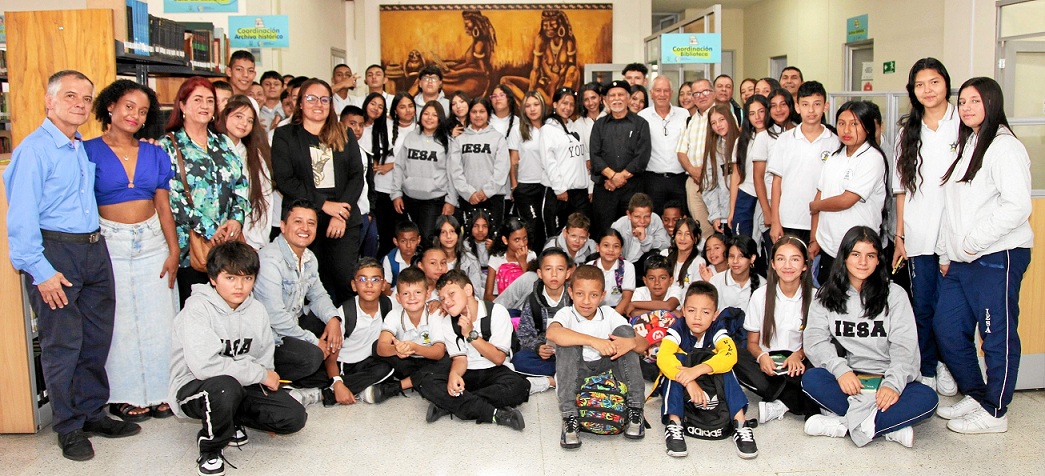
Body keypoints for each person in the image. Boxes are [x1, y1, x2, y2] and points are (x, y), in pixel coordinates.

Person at [4, 70, 139, 461]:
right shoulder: (35, 150)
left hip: (93, 249)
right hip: (56, 254)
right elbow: (22, 218)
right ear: (49, 101)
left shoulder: (77, 145)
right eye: (70, 96)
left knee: (96, 339)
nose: (79, 104)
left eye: (85, 98)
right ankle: (68, 427)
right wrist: (40, 271)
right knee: (63, 344)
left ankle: (93, 412)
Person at [933, 77, 1033, 434]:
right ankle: (977, 394)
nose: (967, 108)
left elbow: (1018, 206)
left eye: (975, 101)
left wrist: (974, 241)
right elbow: (954, 207)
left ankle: (995, 411)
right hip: (961, 260)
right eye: (962, 103)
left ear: (992, 102)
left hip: (997, 254)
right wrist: (948, 251)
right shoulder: (971, 143)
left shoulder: (1004, 146)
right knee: (946, 326)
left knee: (996, 334)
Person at [84, 79, 178, 423]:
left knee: (159, 318)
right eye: (128, 106)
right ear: (110, 106)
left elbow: (164, 206)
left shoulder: (155, 152)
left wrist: (174, 249)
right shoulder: (87, 151)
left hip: (153, 239)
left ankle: (162, 391)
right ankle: (123, 395)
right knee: (119, 320)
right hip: (109, 241)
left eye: (142, 111)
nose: (134, 115)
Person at [169, 242, 306, 475]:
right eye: (231, 278)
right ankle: (211, 447)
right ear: (213, 278)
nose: (240, 287)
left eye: (247, 278)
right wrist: (260, 375)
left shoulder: (257, 310)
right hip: (194, 387)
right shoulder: (197, 309)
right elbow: (205, 367)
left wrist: (267, 408)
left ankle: (232, 420)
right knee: (224, 386)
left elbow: (263, 360)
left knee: (293, 416)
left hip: (239, 386)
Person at [802, 226, 936, 448]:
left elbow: (904, 347)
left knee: (927, 398)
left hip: (888, 377)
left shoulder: (895, 295)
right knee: (812, 379)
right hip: (851, 379)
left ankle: (846, 426)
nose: (862, 262)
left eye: (870, 255)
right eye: (856, 254)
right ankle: (885, 427)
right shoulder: (826, 295)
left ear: (878, 261)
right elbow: (815, 340)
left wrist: (892, 385)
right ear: (844, 257)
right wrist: (841, 370)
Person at [892, 58, 960, 397]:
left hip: (958, 234)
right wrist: (899, 235)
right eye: (920, 85)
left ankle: (949, 363)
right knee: (923, 308)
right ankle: (929, 367)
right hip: (919, 235)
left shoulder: (963, 123)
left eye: (934, 82)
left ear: (946, 84)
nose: (928, 90)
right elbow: (901, 187)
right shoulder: (908, 129)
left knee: (952, 311)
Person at [271, 78, 364, 302]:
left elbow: (356, 177)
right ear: (300, 103)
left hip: (342, 218)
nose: (318, 104)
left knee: (345, 278)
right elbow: (285, 180)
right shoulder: (285, 135)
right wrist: (324, 205)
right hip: (304, 219)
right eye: (311, 98)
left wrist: (340, 213)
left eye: (324, 99)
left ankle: (347, 329)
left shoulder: (344, 134)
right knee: (307, 283)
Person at [159, 77, 249, 308]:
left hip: (227, 245)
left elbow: (241, 184)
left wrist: (236, 220)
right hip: (191, 250)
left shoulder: (224, 143)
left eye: (210, 100)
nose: (205, 106)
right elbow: (171, 196)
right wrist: (209, 229)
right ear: (182, 105)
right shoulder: (167, 146)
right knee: (196, 314)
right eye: (197, 99)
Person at [549, 264, 648, 449]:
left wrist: (631, 343)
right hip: (578, 376)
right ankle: (569, 418)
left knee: (626, 332)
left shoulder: (609, 314)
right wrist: (594, 341)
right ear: (570, 292)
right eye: (580, 294)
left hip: (608, 374)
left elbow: (644, 344)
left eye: (593, 295)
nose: (586, 301)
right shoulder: (566, 313)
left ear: (602, 295)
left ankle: (636, 409)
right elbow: (552, 334)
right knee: (566, 342)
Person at [414, 270, 530, 429]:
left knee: (518, 387)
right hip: (467, 373)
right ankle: (496, 414)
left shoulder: (496, 312)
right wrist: (454, 375)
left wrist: (470, 334)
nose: (446, 302)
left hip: (494, 370)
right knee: (427, 382)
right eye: (442, 298)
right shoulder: (448, 322)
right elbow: (460, 359)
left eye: (451, 294)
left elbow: (498, 358)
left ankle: (450, 404)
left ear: (468, 290)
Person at [656, 282, 759, 459]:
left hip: (707, 380)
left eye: (705, 312)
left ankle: (740, 424)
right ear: (683, 310)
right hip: (684, 383)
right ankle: (674, 424)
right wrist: (689, 381)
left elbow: (730, 354)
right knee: (675, 363)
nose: (697, 317)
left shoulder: (717, 329)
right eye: (691, 310)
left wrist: (697, 371)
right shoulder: (677, 329)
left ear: (714, 315)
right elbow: (663, 357)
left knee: (725, 366)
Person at [253, 200, 344, 401]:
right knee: (312, 357)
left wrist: (334, 320)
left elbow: (319, 295)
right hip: (270, 339)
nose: (305, 228)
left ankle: (314, 378)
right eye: (298, 222)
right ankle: (268, 380)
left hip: (291, 327)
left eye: (311, 223)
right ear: (283, 226)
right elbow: (275, 317)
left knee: (332, 325)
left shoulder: (309, 257)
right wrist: (314, 342)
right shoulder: (270, 260)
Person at [737, 235, 818, 424]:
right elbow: (752, 343)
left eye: (795, 259)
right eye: (781, 259)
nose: (787, 265)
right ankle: (797, 400)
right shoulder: (760, 296)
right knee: (734, 355)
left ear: (805, 265)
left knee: (820, 368)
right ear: (772, 264)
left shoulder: (816, 297)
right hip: (770, 366)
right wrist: (761, 357)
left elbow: (818, 342)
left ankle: (781, 403)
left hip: (800, 365)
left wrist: (799, 355)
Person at [809, 101, 887, 280]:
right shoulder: (835, 157)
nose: (846, 130)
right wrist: (814, 238)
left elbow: (846, 200)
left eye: (854, 124)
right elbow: (821, 191)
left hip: (859, 251)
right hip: (829, 246)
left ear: (867, 127)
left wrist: (815, 205)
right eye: (842, 123)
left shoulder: (872, 158)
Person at [767, 81, 839, 245]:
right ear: (797, 108)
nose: (811, 110)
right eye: (805, 105)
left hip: (822, 220)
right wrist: (775, 221)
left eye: (817, 104)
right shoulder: (785, 139)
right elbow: (776, 182)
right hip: (788, 219)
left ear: (825, 106)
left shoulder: (834, 142)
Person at [324, 257, 400, 405]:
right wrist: (338, 382)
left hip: (370, 362)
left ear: (384, 284)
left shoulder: (390, 305)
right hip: (345, 365)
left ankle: (335, 389)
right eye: (363, 279)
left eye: (375, 279)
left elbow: (416, 307)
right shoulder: (344, 313)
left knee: (390, 367)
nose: (369, 285)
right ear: (354, 285)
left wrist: (435, 304)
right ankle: (330, 390)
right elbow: (330, 359)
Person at [589, 79, 651, 232]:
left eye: (621, 95)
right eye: (612, 95)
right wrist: (612, 176)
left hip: (632, 190)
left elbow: (642, 156)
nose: (616, 99)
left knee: (632, 232)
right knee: (604, 232)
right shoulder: (599, 124)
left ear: (628, 98)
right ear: (606, 100)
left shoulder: (641, 124)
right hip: (605, 189)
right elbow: (595, 156)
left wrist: (620, 177)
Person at [375, 266, 449, 394]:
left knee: (449, 361)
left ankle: (397, 387)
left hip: (430, 361)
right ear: (398, 298)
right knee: (375, 348)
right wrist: (397, 349)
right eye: (406, 293)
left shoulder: (434, 313)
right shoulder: (394, 314)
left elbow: (439, 352)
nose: (412, 298)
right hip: (406, 362)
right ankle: (421, 382)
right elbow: (381, 347)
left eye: (418, 292)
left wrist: (414, 348)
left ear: (427, 294)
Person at [391, 101, 457, 242]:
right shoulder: (411, 137)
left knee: (428, 239)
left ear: (440, 118)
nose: (429, 118)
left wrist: (451, 200)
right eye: (426, 114)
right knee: (410, 240)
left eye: (434, 115)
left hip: (433, 201)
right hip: (408, 198)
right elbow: (399, 166)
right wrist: (396, 193)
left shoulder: (447, 141)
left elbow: (453, 174)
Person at [216, 94, 275, 250]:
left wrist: (256, 241)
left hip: (246, 238)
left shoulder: (255, 156)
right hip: (213, 236)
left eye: (250, 121)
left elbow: (265, 199)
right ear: (225, 115)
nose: (244, 124)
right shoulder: (210, 149)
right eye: (238, 116)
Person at [514, 247, 574, 389]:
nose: (554, 274)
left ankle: (555, 377)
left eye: (560, 269)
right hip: (546, 355)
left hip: (571, 351)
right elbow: (524, 334)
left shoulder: (574, 298)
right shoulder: (533, 300)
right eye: (548, 269)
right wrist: (538, 347)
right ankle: (563, 376)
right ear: (540, 273)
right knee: (519, 360)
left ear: (568, 273)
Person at [449, 96, 510, 232]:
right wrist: (469, 193)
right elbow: (455, 171)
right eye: (474, 112)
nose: (478, 115)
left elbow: (502, 169)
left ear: (488, 114)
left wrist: (486, 192)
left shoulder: (498, 138)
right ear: (469, 114)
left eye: (482, 111)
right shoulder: (460, 139)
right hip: (468, 198)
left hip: (493, 197)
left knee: (493, 240)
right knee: (469, 239)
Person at [541, 87, 591, 230]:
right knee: (558, 236)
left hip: (579, 193)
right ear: (555, 104)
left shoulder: (574, 126)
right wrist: (559, 189)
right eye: (564, 103)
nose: (567, 107)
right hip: (560, 193)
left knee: (582, 234)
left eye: (571, 104)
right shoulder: (548, 129)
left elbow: (582, 158)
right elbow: (549, 162)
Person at [639, 76, 690, 216]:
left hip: (680, 179)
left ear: (672, 93)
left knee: (682, 220)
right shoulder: (642, 117)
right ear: (651, 93)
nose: (662, 94)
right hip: (653, 181)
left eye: (666, 91)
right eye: (658, 90)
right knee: (655, 220)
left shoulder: (684, 114)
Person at [676, 79, 715, 238]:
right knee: (702, 227)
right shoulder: (692, 120)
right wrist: (692, 171)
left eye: (705, 91)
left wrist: (704, 172)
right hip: (694, 180)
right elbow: (680, 151)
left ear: (713, 93)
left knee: (719, 224)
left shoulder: (722, 115)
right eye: (696, 93)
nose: (701, 96)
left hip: (715, 180)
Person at [340, 105, 379, 259]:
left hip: (364, 212)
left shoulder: (364, 153)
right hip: (344, 212)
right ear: (341, 124)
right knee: (347, 257)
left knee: (366, 253)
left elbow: (370, 184)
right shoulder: (334, 151)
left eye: (361, 125)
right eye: (352, 123)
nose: (357, 129)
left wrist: (371, 211)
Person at [509, 90, 547, 246]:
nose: (532, 109)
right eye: (528, 106)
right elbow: (513, 161)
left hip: (548, 186)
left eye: (536, 105)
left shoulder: (551, 128)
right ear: (523, 109)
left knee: (547, 226)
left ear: (543, 106)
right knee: (532, 226)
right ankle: (532, 264)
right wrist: (514, 187)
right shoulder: (517, 130)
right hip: (526, 187)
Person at [729, 94, 770, 238]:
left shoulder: (777, 138)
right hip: (746, 194)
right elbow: (736, 176)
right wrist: (732, 210)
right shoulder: (741, 141)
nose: (757, 117)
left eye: (761, 111)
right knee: (741, 241)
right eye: (752, 113)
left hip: (769, 195)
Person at [700, 104, 740, 237]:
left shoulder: (743, 142)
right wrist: (715, 215)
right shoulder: (713, 149)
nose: (718, 125)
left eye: (722, 119)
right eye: (713, 122)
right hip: (724, 214)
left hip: (745, 210)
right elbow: (709, 185)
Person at [485, 217, 535, 301]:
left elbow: (534, 287)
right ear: (505, 240)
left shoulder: (531, 256)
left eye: (525, 238)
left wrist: (523, 262)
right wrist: (503, 306)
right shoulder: (496, 258)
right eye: (517, 240)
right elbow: (487, 295)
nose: (522, 244)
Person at [611, 193, 670, 264]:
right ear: (629, 214)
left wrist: (645, 239)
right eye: (637, 217)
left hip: (646, 265)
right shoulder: (618, 226)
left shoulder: (655, 220)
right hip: (623, 264)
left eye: (647, 216)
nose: (642, 221)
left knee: (654, 254)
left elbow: (666, 245)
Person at [434, 215, 484, 299]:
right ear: (438, 236)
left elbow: (476, 294)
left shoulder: (470, 260)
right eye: (443, 232)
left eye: (452, 231)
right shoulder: (430, 259)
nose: (448, 236)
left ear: (458, 235)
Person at [587, 229, 635, 315]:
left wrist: (612, 319)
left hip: (619, 310)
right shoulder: (589, 267)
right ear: (598, 247)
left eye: (616, 246)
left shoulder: (627, 267)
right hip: (594, 310)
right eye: (606, 245)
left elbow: (626, 298)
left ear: (621, 250)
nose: (611, 250)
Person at [709, 235, 762, 311]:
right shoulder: (715, 282)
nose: (735, 261)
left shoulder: (763, 285)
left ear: (752, 258)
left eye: (741, 256)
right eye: (731, 256)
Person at [665, 217, 704, 288]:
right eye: (679, 233)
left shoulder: (699, 262)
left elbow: (696, 291)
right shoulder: (665, 255)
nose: (682, 238)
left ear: (695, 239)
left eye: (687, 234)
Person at [382, 221, 421, 289]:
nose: (408, 245)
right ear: (395, 241)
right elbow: (385, 289)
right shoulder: (389, 259)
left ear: (418, 239)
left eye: (412, 240)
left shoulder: (423, 258)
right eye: (403, 241)